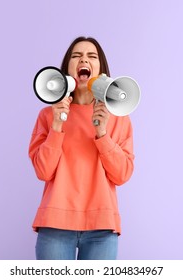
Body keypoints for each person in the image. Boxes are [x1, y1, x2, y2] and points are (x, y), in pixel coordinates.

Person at [28, 36, 135, 260]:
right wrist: (57, 125)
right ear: (67, 69)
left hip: (102, 228)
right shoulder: (48, 115)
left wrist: (102, 132)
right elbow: (43, 171)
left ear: (101, 70)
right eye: (76, 56)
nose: (83, 59)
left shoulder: (118, 117)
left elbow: (122, 174)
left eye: (91, 56)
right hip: (55, 226)